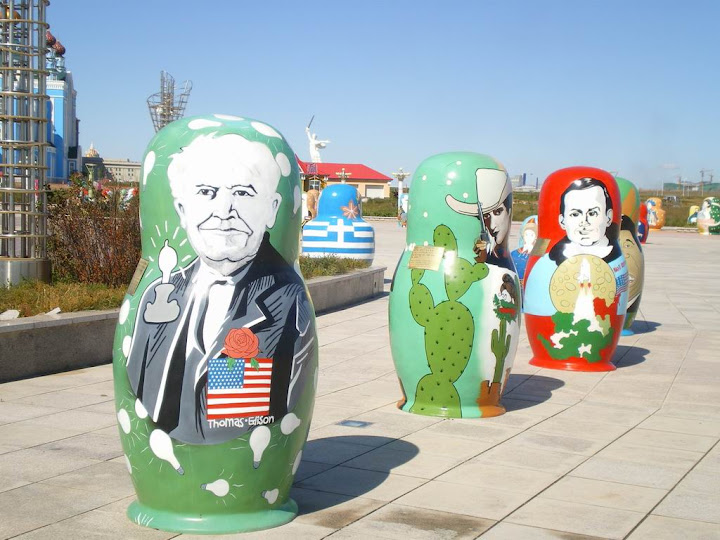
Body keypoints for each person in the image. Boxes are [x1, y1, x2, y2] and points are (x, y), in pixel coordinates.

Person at [126, 133, 314, 445]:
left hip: (242, 461)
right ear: (182, 210)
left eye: (242, 192)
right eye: (206, 192)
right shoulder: (158, 295)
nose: (225, 210)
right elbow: (140, 391)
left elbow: (257, 416)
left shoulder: (288, 303)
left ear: (272, 209)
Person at [548, 177, 621, 264]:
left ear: (608, 217)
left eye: (592, 213)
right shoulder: (546, 261)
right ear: (562, 221)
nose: (584, 222)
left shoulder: (618, 259)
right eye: (575, 214)